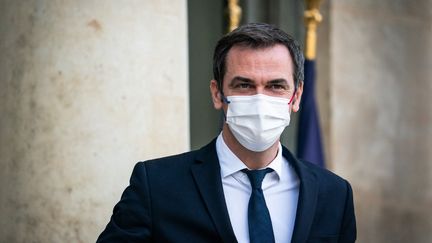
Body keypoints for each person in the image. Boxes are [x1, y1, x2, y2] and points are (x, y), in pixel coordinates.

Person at [97, 23, 356, 243]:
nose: (259, 99)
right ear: (217, 93)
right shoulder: (156, 187)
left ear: (296, 96)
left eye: (276, 85)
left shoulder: (334, 195)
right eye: (244, 84)